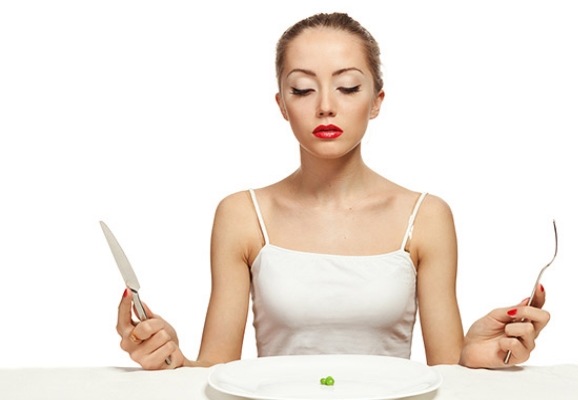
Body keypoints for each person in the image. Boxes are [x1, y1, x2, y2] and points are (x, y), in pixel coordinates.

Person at [116, 12, 550, 370]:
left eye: (347, 87)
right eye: (303, 89)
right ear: (282, 104)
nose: (325, 105)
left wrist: (475, 360)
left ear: (376, 101)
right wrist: (168, 358)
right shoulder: (242, 214)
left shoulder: (426, 216)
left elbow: (445, 374)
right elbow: (217, 371)